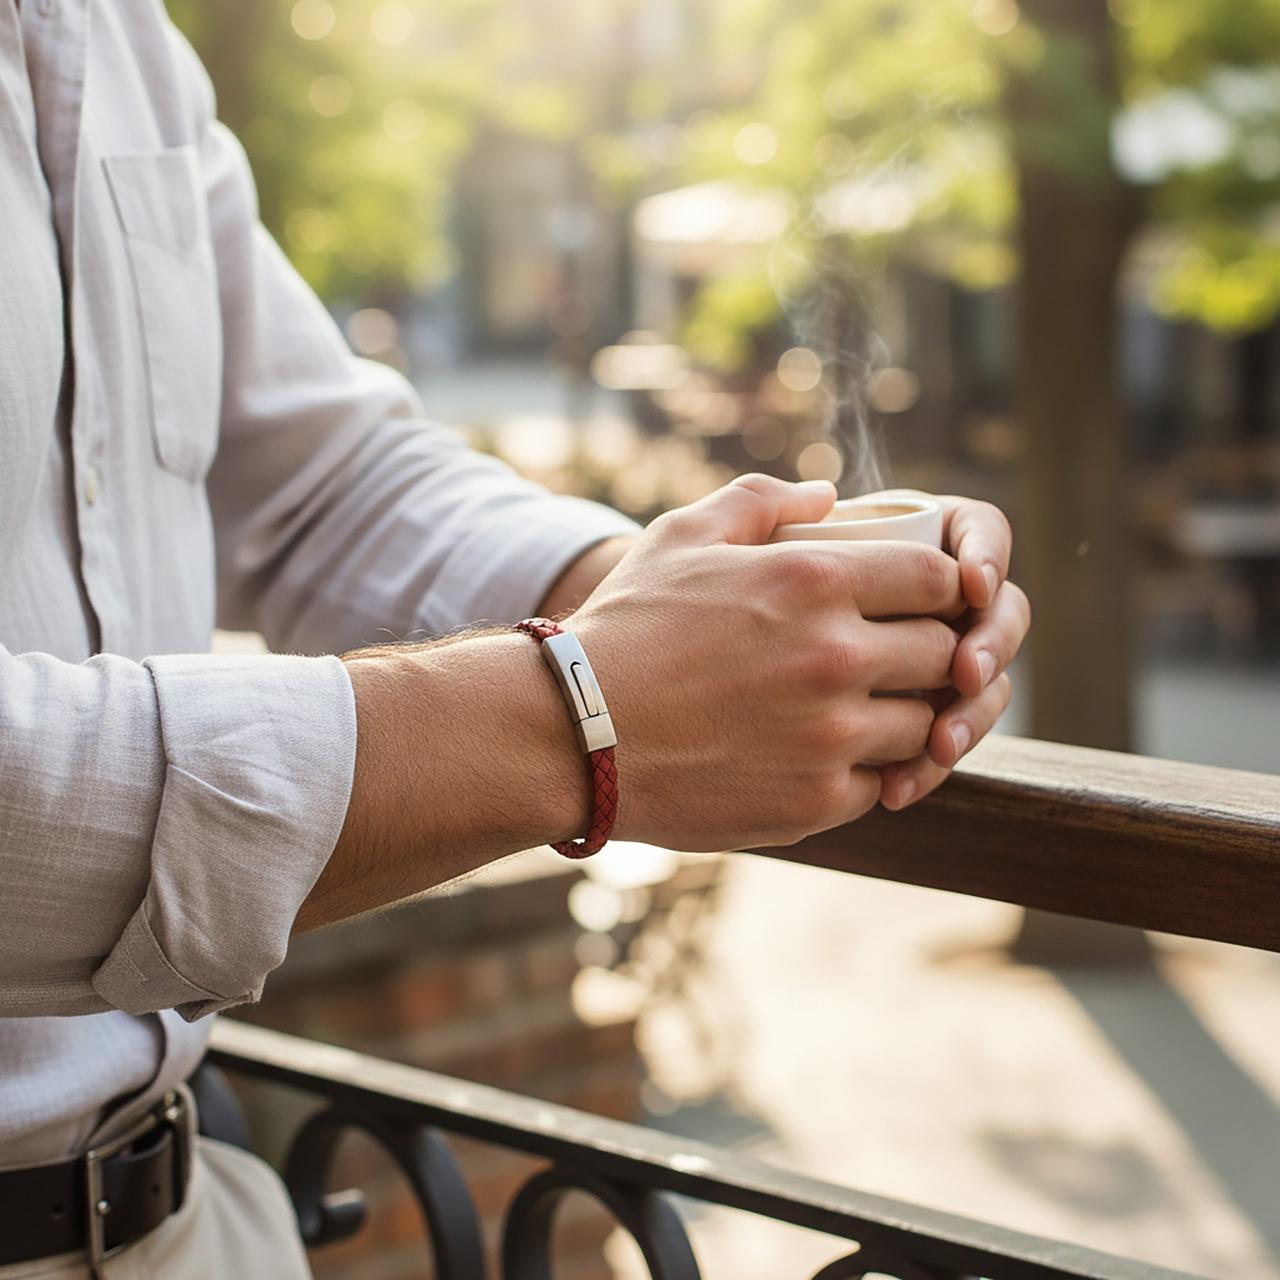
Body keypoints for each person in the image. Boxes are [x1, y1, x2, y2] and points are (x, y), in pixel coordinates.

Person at [0, 1, 1030, 1275]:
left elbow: (321, 480)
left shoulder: (111, 32)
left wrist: (688, 599)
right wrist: (575, 709)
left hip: (193, 1223)